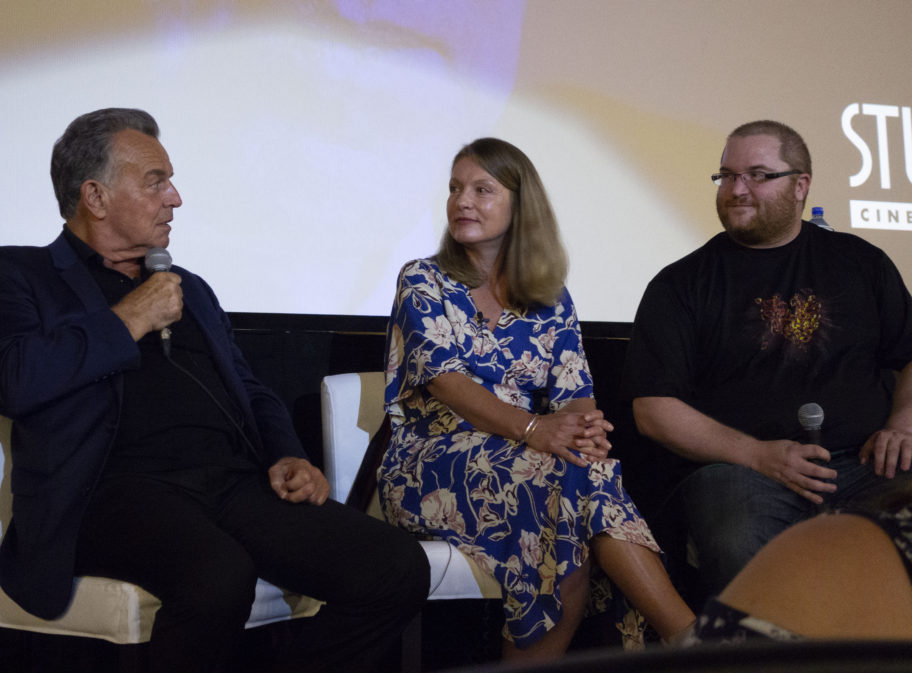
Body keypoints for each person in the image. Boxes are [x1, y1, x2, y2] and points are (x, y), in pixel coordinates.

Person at [0, 108, 429, 673]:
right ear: (95, 196)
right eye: (155, 181)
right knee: (217, 573)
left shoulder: (192, 290)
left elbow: (252, 391)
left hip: (229, 486)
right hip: (107, 494)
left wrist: (288, 454)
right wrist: (127, 318)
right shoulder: (15, 273)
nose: (175, 198)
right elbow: (11, 380)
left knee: (395, 565)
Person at [377, 137, 694, 662]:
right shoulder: (424, 279)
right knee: (567, 485)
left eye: (482, 189)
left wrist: (585, 430)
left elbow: (575, 396)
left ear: (520, 206)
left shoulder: (551, 297)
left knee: (580, 481)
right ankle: (690, 635)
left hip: (527, 462)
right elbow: (447, 382)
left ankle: (688, 638)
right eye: (456, 188)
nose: (462, 201)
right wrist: (534, 429)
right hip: (429, 464)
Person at [623, 120, 912, 600]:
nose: (737, 189)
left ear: (801, 186)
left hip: (866, 465)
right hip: (743, 473)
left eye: (758, 174)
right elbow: (653, 409)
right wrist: (759, 455)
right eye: (727, 176)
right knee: (737, 531)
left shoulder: (863, 262)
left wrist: (903, 424)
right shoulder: (680, 285)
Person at [686, 489, 912, 643]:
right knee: (735, 537)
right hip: (747, 457)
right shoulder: (831, 550)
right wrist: (753, 452)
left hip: (866, 456)